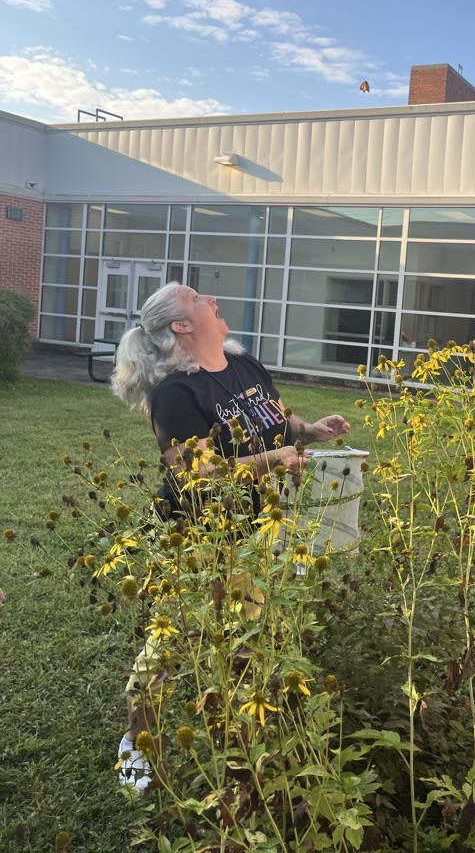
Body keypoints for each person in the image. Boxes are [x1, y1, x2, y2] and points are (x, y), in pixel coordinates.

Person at [109, 281, 350, 791]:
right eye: (198, 298)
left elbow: (278, 420)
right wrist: (270, 459)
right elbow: (195, 471)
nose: (213, 300)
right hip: (198, 536)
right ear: (182, 325)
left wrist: (309, 431)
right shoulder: (177, 393)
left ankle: (243, 746)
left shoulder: (245, 366)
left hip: (259, 528)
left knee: (251, 639)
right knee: (171, 643)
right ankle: (137, 742)